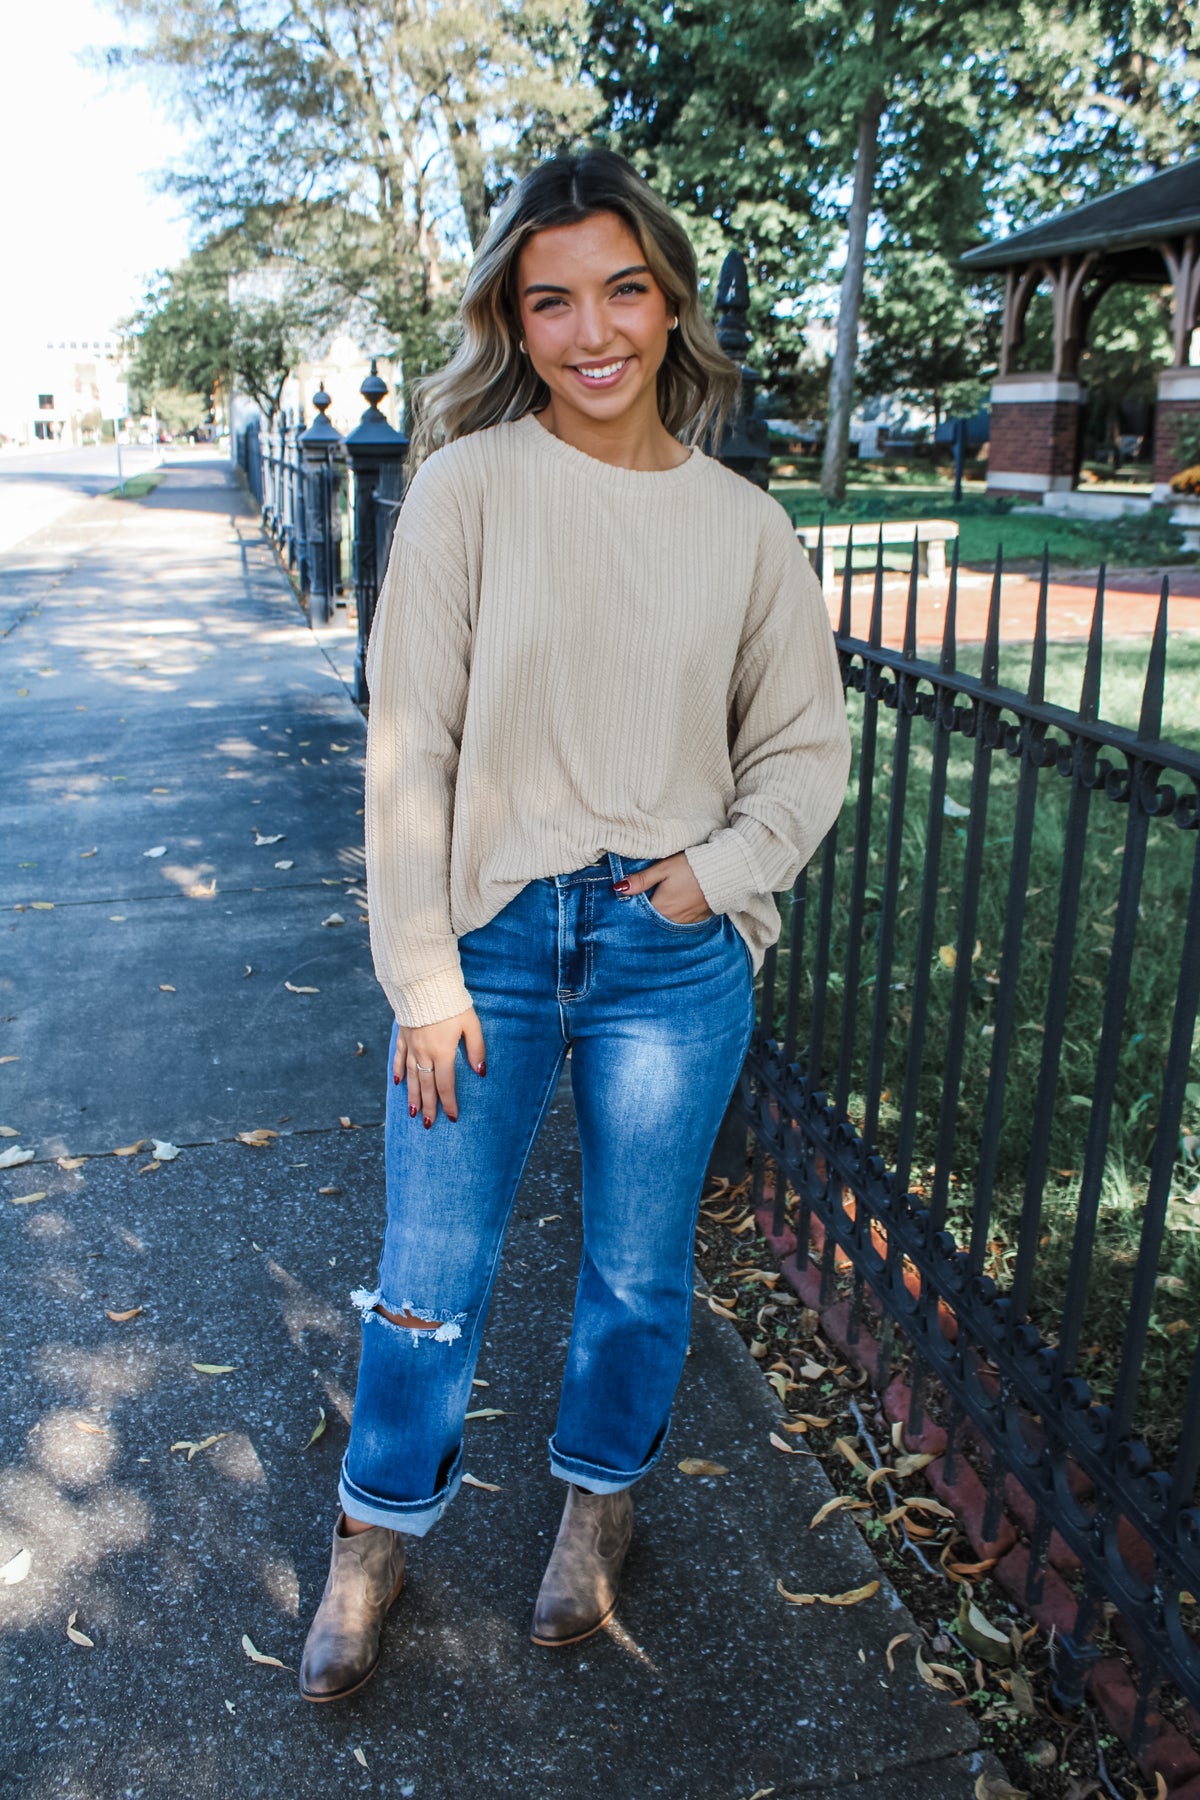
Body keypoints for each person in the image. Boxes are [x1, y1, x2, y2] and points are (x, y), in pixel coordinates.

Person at [298, 146, 851, 1703]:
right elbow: (410, 741)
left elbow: (806, 752)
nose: (592, 330)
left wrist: (716, 873)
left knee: (635, 1274)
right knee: (431, 1264)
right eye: (552, 301)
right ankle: (373, 1533)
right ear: (512, 322)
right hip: (487, 943)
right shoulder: (469, 486)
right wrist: (419, 973)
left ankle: (598, 1511)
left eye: (622, 290)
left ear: (671, 302)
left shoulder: (744, 527)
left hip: (670, 953)